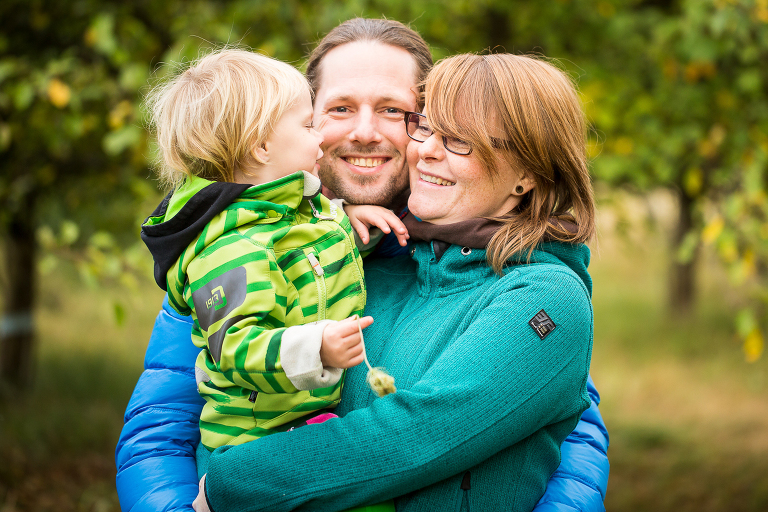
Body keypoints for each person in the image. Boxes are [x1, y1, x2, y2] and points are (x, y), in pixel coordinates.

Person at [115, 19, 609, 512]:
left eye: (395, 111)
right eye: (338, 109)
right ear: (298, 123)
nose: (366, 131)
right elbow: (162, 422)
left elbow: (559, 428)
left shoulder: (508, 282)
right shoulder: (238, 251)